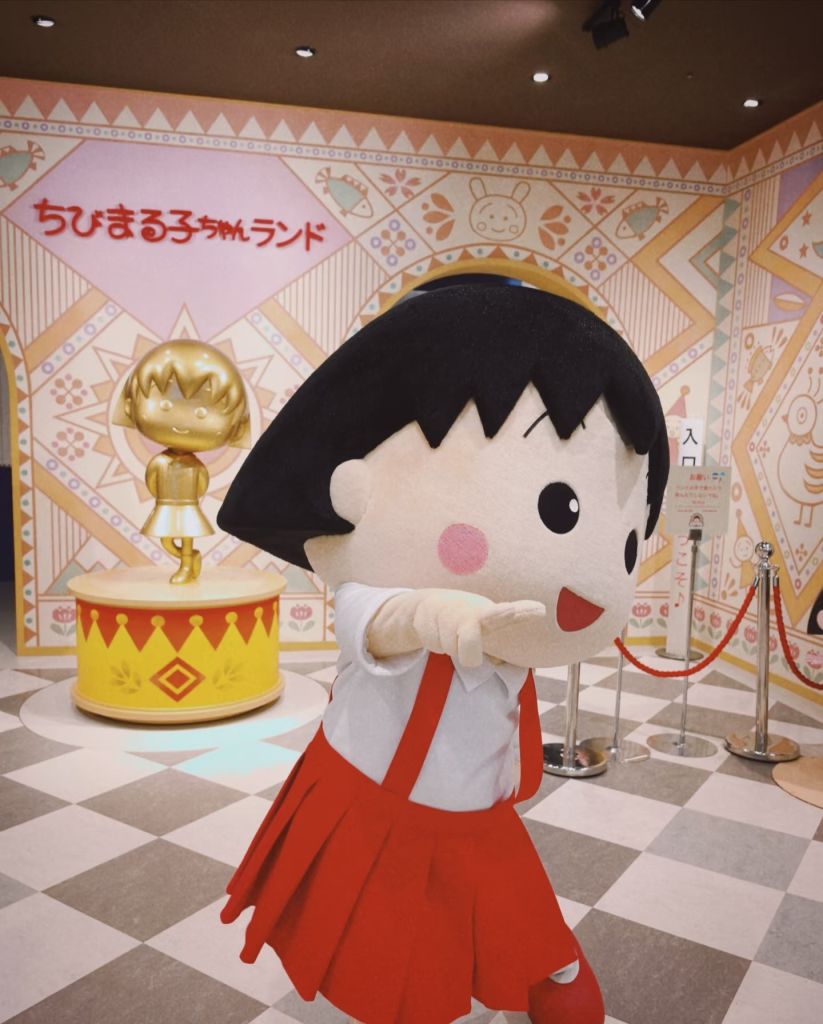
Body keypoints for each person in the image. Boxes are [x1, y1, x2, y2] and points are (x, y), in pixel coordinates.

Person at [218, 283, 669, 1024]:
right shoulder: (367, 598)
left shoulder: (515, 633)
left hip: (476, 812)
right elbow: (378, 623)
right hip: (375, 804)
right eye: (557, 509)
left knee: (500, 909)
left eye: (625, 545)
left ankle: (532, 967)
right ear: (353, 489)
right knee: (389, 940)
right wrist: (431, 615)